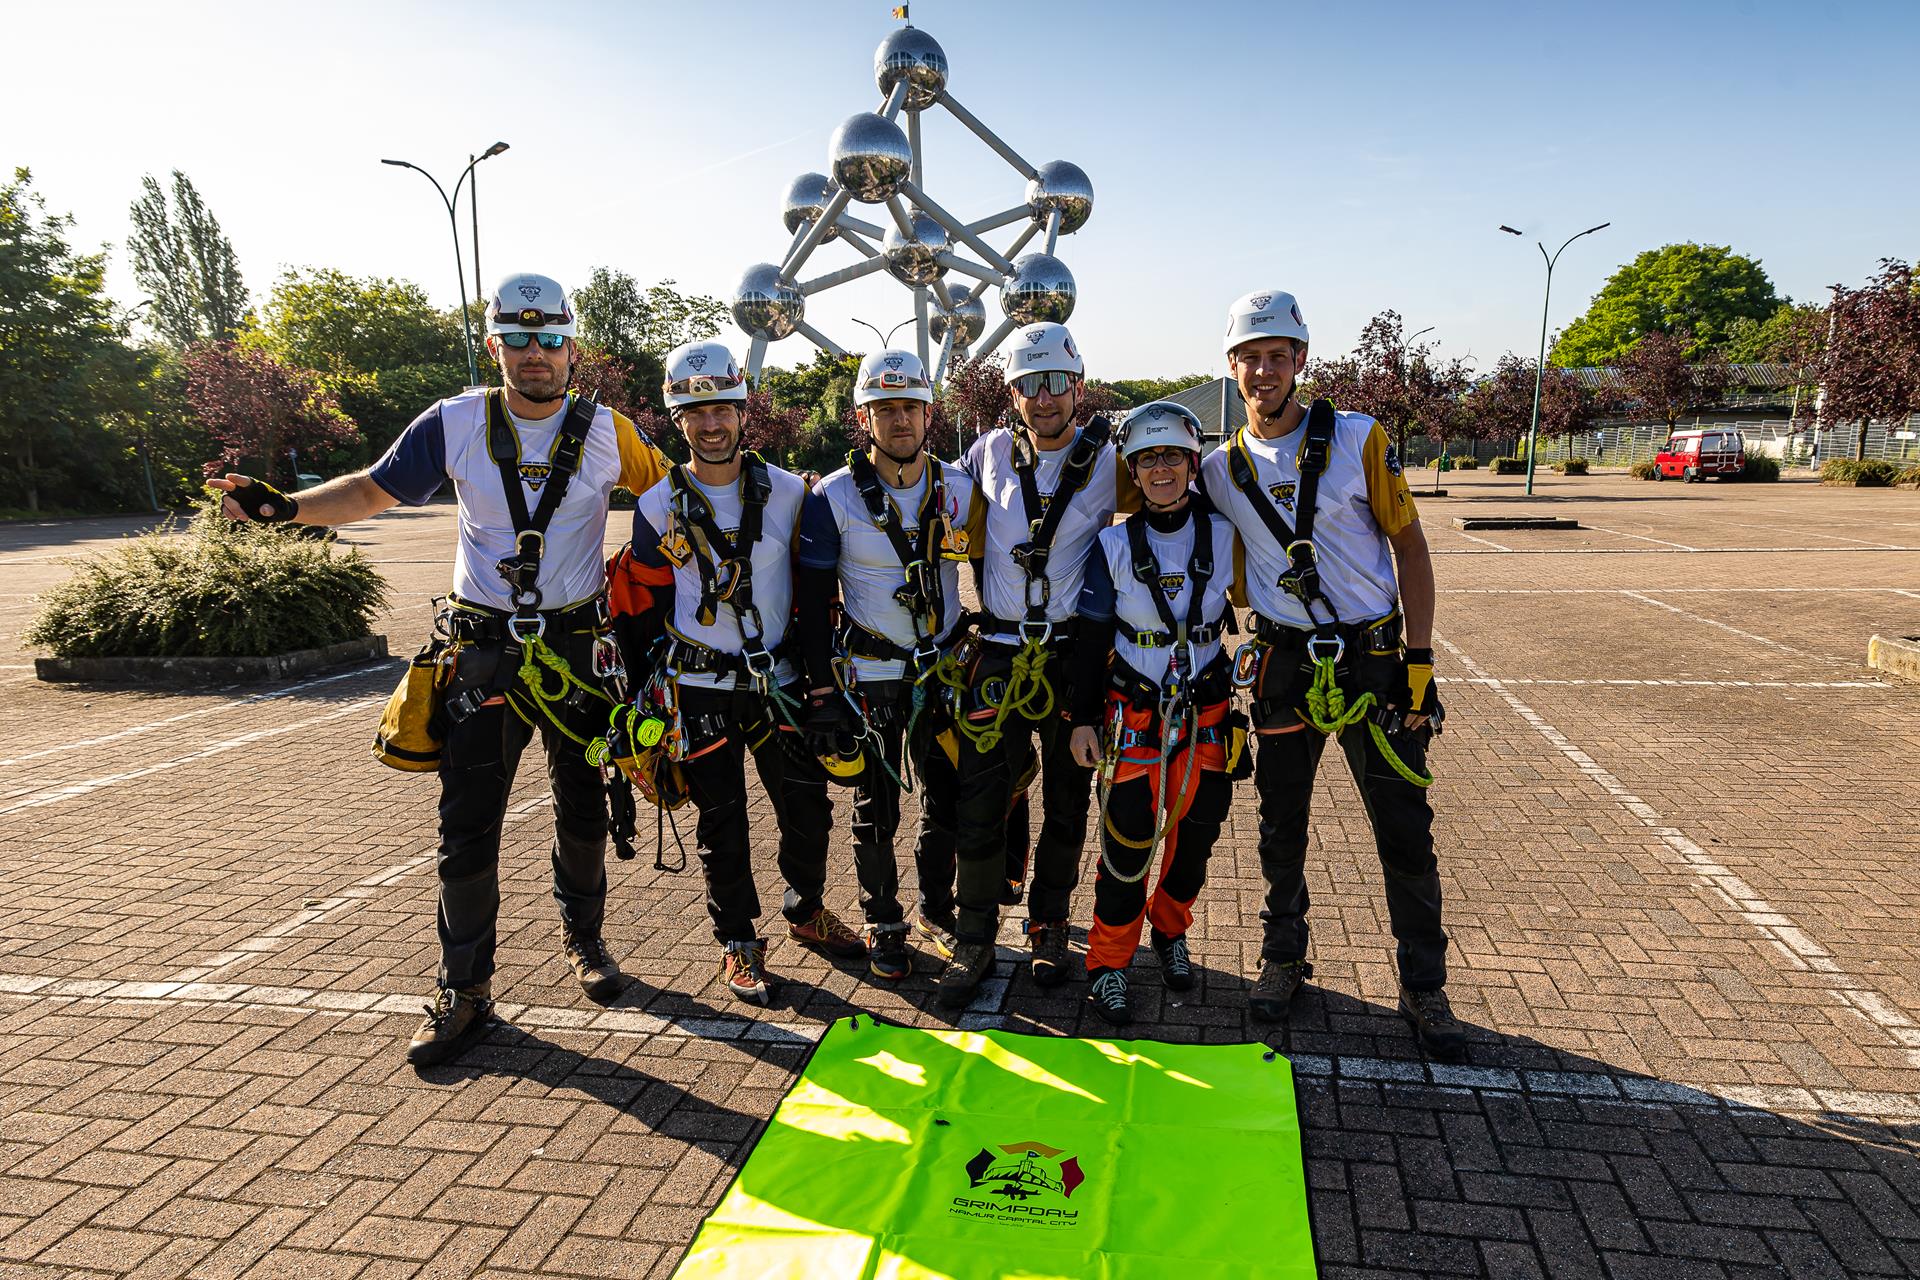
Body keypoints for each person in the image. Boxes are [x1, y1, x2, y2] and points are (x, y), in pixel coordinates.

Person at [212, 273, 671, 1066]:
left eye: (551, 339)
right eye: (519, 338)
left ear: (572, 348)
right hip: (483, 653)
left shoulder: (611, 432)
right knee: (466, 828)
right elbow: (372, 489)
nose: (535, 353)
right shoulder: (455, 421)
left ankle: (585, 939)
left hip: (577, 654)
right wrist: (287, 509)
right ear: (495, 346)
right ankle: (464, 988)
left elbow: (681, 500)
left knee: (585, 809)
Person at [1199, 288, 1461, 1057]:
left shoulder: (1358, 438)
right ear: (1231, 366)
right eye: (1250, 357)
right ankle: (1283, 957)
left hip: (1374, 663)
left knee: (1404, 827)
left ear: (1301, 359)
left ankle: (1424, 984)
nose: (1263, 371)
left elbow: (1410, 549)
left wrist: (1420, 663)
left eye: (1277, 356)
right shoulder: (1219, 468)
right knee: (1279, 823)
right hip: (1282, 663)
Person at [614, 340, 863, 1007]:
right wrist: (639, 700)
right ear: (677, 419)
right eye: (696, 413)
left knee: (808, 810)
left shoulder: (792, 494)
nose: (711, 424)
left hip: (779, 683)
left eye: (722, 408)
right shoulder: (654, 507)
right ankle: (738, 939)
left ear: (743, 411)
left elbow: (816, 592)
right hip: (700, 687)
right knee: (721, 822)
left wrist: (822, 681)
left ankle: (805, 907)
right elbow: (643, 608)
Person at [935, 322, 1139, 1007]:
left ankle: (1050, 920)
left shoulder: (1111, 461)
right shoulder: (986, 452)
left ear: (1078, 387)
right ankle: (974, 934)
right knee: (979, 799)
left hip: (1071, 656)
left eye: (1056, 383)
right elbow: (933, 507)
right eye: (1029, 384)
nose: (1044, 398)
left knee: (1068, 801)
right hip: (998, 652)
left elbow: (1170, 504)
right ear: (1013, 392)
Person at [793, 349, 978, 977]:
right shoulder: (832, 496)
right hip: (870, 678)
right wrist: (822, 689)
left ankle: (935, 908)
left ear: (929, 413)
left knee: (947, 798)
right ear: (862, 417)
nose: (900, 420)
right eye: (885, 408)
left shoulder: (960, 489)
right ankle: (883, 919)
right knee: (877, 808)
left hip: (942, 673)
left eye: (910, 407)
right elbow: (813, 604)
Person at [1068, 402, 1242, 1025]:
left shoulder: (1226, 533)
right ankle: (1108, 964)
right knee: (1127, 845)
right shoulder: (1112, 545)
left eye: (1172, 456)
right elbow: (1091, 637)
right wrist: (1082, 719)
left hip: (1206, 710)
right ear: (1132, 471)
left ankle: (1169, 931)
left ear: (1193, 464)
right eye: (1147, 459)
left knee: (1196, 840)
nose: (1160, 469)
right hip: (1134, 715)